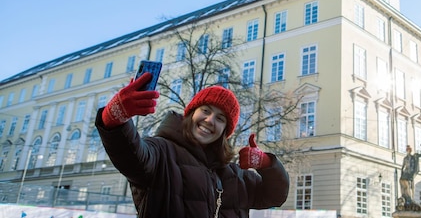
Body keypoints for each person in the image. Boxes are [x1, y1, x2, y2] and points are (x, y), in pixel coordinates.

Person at [95, 72, 289, 218]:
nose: (210, 120)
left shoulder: (234, 174)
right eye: (205, 110)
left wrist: (266, 164)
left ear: (225, 131)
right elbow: (131, 155)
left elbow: (275, 196)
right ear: (191, 114)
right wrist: (115, 118)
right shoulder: (161, 152)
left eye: (220, 118)